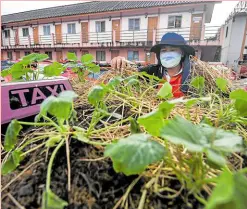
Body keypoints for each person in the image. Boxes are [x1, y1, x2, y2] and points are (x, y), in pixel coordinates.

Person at [111, 32, 195, 98]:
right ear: (159, 55)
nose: (167, 54)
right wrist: (121, 61)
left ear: (182, 53)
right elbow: (133, 72)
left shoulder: (192, 76)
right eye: (164, 51)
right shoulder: (152, 72)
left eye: (172, 50)